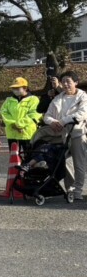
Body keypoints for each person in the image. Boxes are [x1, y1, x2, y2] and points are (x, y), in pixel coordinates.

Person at [37, 70, 87, 200]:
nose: (65, 84)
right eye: (63, 81)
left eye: (68, 81)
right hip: (60, 135)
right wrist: (52, 122)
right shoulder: (58, 98)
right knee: (63, 161)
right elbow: (47, 116)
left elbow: (82, 114)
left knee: (79, 164)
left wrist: (62, 121)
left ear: (76, 82)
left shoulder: (83, 97)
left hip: (77, 133)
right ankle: (70, 189)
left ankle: (78, 191)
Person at [0, 77, 41, 161]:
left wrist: (19, 125)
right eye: (13, 88)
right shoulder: (9, 100)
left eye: (17, 88)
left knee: (29, 158)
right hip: (12, 134)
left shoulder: (33, 99)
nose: (15, 90)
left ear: (25, 88)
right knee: (14, 158)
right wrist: (13, 124)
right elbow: (3, 112)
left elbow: (34, 114)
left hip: (27, 134)